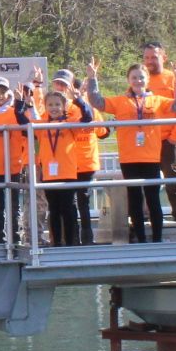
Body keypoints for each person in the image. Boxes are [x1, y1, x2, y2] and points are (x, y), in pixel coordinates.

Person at [85, 60, 172, 244]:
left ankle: (157, 239)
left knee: (153, 198)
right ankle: (141, 239)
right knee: (134, 199)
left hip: (151, 157)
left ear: (147, 80)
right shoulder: (120, 101)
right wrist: (92, 79)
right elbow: (97, 101)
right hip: (129, 158)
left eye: (141, 77)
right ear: (128, 80)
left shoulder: (157, 101)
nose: (138, 81)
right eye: (134, 78)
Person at [34, 85, 104, 246]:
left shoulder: (70, 123)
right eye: (50, 105)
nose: (54, 108)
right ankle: (57, 242)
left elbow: (87, 118)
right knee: (54, 209)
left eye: (57, 104)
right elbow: (22, 121)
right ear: (45, 107)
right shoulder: (41, 124)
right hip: (49, 175)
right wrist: (20, 103)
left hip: (68, 173)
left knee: (68, 209)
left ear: (64, 106)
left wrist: (79, 99)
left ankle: (71, 243)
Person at [142, 43, 176, 228]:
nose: (150, 61)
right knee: (147, 183)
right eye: (146, 57)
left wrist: (175, 136)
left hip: (168, 140)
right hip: (147, 142)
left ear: (163, 57)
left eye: (153, 57)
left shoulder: (173, 79)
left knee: (174, 180)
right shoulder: (141, 79)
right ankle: (148, 219)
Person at [0, 75, 35, 246]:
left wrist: (24, 102)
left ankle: (15, 237)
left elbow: (30, 126)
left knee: (13, 206)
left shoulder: (15, 113)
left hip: (13, 167)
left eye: (2, 92)